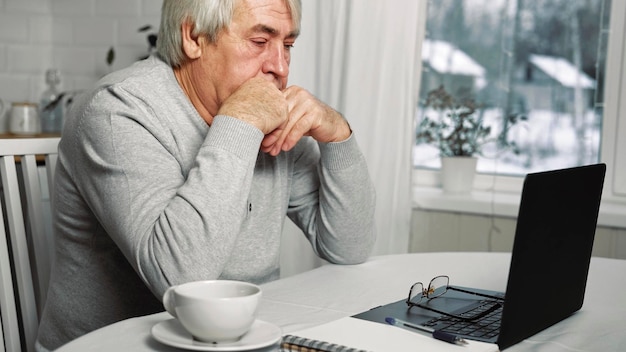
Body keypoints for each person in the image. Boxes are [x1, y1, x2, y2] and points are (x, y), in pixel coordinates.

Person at [36, 0, 376, 350]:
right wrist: (240, 122)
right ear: (194, 37)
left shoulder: (265, 111)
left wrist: (337, 135)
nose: (280, 67)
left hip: (244, 340)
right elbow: (180, 281)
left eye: (288, 46)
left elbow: (348, 247)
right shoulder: (116, 110)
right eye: (260, 42)